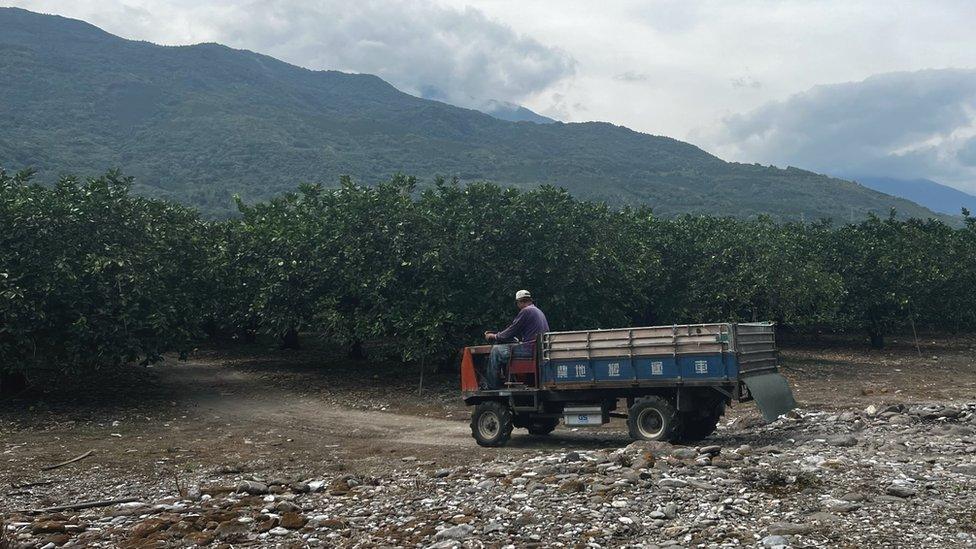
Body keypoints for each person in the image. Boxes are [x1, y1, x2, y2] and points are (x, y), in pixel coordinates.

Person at [483, 290, 550, 389]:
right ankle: (508, 380)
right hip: (537, 348)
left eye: (517, 303)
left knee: (496, 351)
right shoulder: (537, 311)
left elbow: (512, 330)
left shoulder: (526, 311)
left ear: (520, 302)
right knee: (506, 349)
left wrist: (494, 336)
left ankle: (491, 386)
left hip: (530, 349)